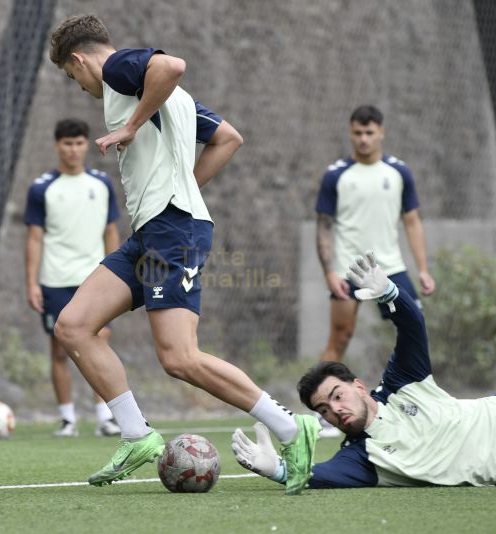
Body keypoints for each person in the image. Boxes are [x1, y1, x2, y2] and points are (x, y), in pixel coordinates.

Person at [48, 14, 320, 494]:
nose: (81, 87)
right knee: (73, 326)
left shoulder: (117, 69)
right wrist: (181, 188)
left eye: (73, 77)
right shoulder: (170, 99)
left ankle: (291, 428)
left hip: (171, 231)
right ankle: (136, 435)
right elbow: (228, 137)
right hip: (154, 230)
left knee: (179, 357)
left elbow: (172, 65)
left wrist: (130, 127)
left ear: (79, 60)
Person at [232, 251, 496, 488]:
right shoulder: (360, 459)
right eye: (324, 410)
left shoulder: (400, 382)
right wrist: (278, 469)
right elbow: (318, 477)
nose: (335, 410)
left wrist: (391, 294)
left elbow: (412, 327)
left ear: (358, 386)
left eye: (336, 395)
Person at [314, 105, 436, 437]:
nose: (364, 139)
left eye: (369, 133)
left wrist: (423, 270)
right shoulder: (336, 175)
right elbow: (323, 226)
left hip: (391, 269)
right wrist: (329, 273)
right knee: (339, 337)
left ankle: (420, 405)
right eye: (358, 133)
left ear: (381, 132)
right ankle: (323, 415)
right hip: (348, 270)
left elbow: (412, 221)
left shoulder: (399, 172)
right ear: (350, 132)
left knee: (414, 329)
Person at [24, 118, 122, 438]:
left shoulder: (101, 184)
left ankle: (105, 416)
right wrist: (32, 282)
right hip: (55, 279)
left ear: (85, 145)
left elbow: (111, 232)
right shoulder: (42, 188)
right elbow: (34, 238)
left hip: (94, 280)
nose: (73, 149)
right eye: (67, 143)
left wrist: (116, 275)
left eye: (79, 143)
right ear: (57, 146)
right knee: (59, 350)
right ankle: (67, 419)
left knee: (99, 343)